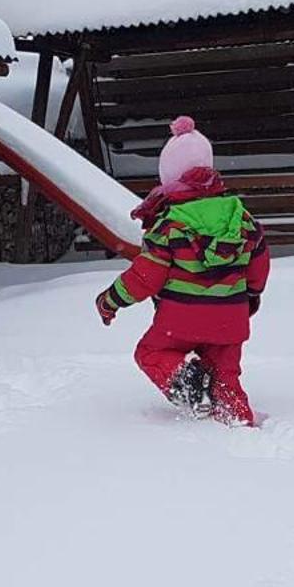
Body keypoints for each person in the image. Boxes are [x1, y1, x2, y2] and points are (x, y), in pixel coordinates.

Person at [96, 116, 269, 425]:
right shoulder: (242, 218)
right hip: (230, 320)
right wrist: (251, 294)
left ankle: (189, 382)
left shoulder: (170, 225)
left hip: (180, 320)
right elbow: (259, 264)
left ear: (170, 178)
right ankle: (239, 422)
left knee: (150, 353)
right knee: (226, 377)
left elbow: (145, 277)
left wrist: (111, 299)